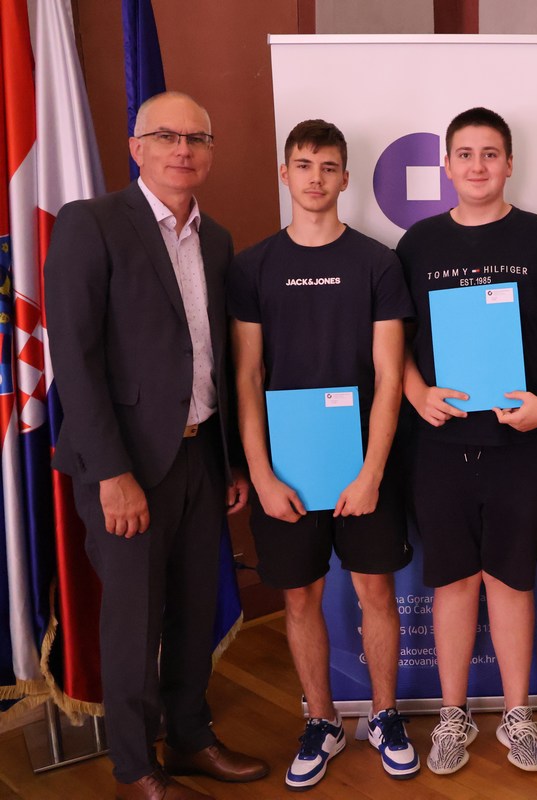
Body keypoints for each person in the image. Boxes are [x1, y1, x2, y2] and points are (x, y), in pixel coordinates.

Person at [43, 91, 268, 800]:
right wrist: (112, 473)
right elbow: (74, 358)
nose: (183, 149)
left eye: (197, 138)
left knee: (195, 609)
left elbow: (215, 358)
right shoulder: (91, 224)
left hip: (200, 457)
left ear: (210, 152)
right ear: (136, 147)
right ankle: (135, 766)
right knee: (135, 622)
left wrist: (229, 462)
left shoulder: (217, 239)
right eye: (167, 136)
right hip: (127, 466)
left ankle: (191, 737)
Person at [395, 107, 537, 774]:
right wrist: (417, 393)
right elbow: (393, 345)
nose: (477, 165)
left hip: (522, 446)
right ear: (445, 165)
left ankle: (516, 715)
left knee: (510, 582)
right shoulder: (418, 244)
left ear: (509, 164)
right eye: (465, 154)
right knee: (452, 582)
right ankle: (453, 717)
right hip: (439, 448)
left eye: (490, 153)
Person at [229, 120, 416, 790]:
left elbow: (390, 376)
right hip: (287, 470)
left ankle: (385, 717)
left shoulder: (377, 262)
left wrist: (371, 473)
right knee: (301, 596)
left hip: (364, 467)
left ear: (344, 178)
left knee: (375, 592)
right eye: (304, 165)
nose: (315, 178)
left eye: (328, 166)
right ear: (286, 174)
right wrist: (261, 474)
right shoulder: (251, 267)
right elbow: (248, 376)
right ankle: (322, 721)